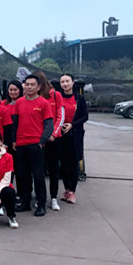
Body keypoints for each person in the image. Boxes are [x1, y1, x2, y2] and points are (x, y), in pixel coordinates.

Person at [12, 74, 53, 217]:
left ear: (39, 87)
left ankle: (41, 205)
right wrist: (14, 140)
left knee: (38, 176)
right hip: (21, 144)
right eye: (27, 84)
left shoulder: (44, 103)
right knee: (23, 176)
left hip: (36, 144)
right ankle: (25, 202)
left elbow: (49, 124)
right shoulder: (19, 102)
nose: (29, 87)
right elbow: (15, 123)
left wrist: (42, 141)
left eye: (32, 85)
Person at [35, 70, 66, 211]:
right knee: (38, 171)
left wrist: (53, 133)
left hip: (54, 139)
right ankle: (40, 198)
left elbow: (61, 115)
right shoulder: (32, 97)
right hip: (38, 140)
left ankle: (53, 198)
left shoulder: (55, 95)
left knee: (53, 170)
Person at [57, 74, 88, 205]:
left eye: (67, 81)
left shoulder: (79, 99)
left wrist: (72, 124)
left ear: (72, 82)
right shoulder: (58, 97)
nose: (65, 84)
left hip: (75, 135)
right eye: (62, 82)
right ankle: (66, 190)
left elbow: (85, 116)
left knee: (73, 164)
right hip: (61, 135)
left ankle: (72, 192)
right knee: (63, 164)